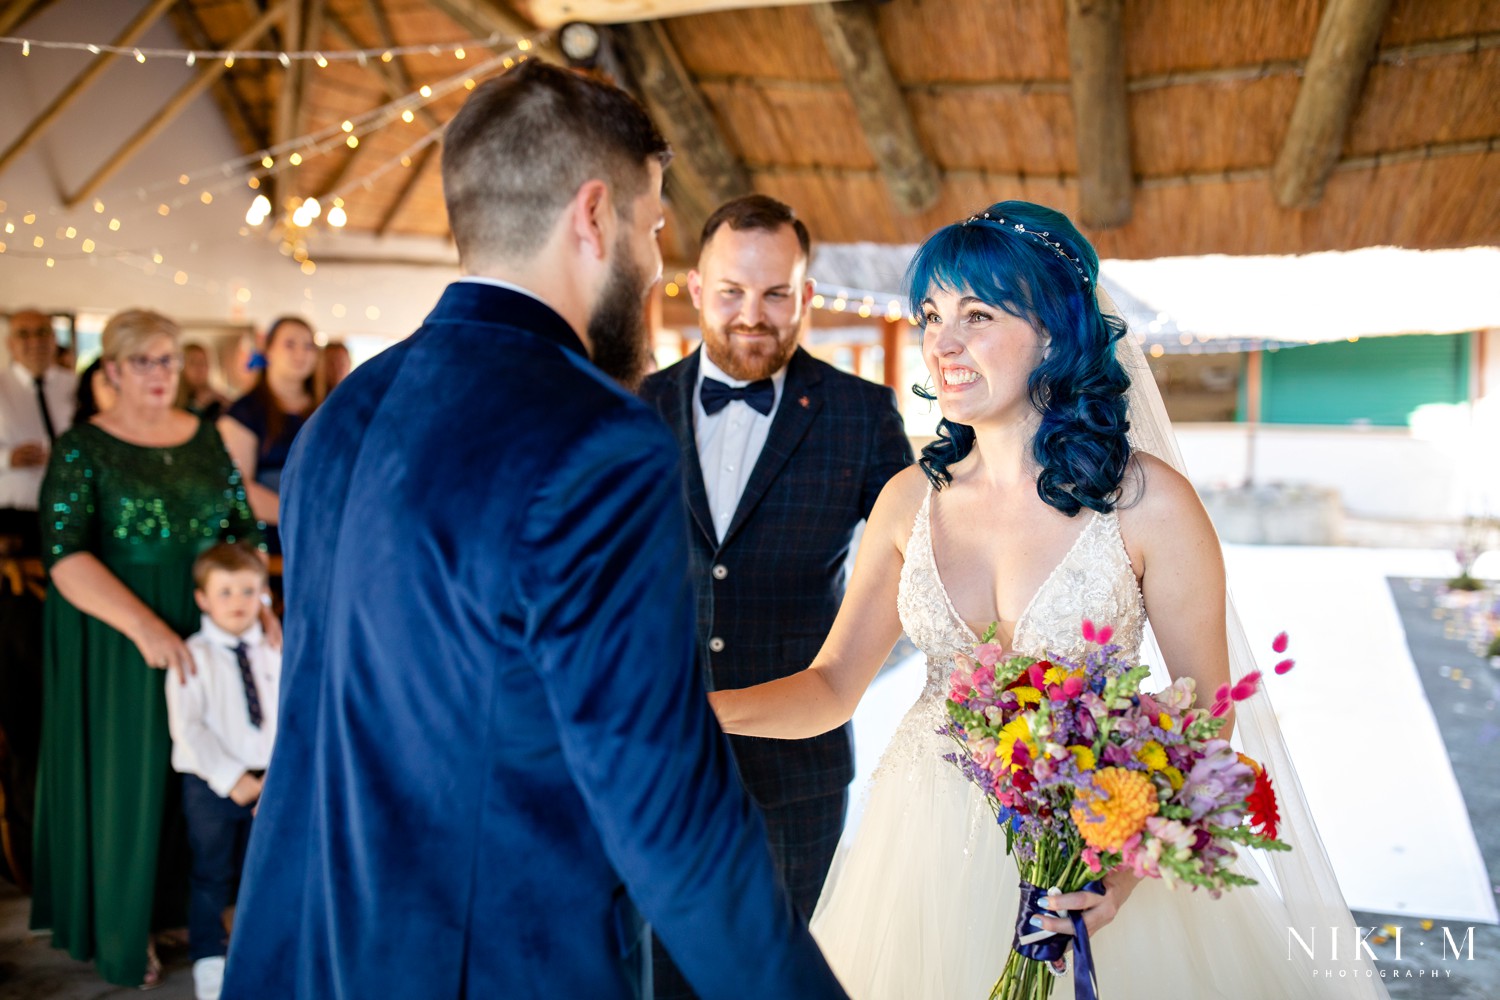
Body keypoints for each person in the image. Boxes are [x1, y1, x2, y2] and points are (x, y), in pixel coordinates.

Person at [220, 62, 845, 1000]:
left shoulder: (341, 417)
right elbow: (671, 812)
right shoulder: (595, 441)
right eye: (654, 228)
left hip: (305, 957)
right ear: (594, 218)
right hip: (492, 965)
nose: (655, 262)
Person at [709, 202, 1389, 999]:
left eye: (978, 314)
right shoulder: (906, 500)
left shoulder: (1146, 502)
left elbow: (1204, 710)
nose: (943, 342)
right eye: (931, 315)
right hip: (918, 857)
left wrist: (1120, 874)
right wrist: (694, 709)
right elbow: (829, 690)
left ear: (1056, 333)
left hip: (1090, 864)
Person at [639, 194, 911, 998]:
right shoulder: (633, 409)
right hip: (657, 766)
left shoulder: (862, 415)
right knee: (657, 977)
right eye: (731, 292)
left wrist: (864, 661)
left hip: (801, 776)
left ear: (807, 295)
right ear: (693, 288)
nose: (752, 316)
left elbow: (925, 567)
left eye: (775, 294)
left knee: (781, 982)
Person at [30, 309, 264, 989]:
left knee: (195, 777)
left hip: (208, 624)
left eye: (168, 360)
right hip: (116, 633)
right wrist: (147, 628)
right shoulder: (82, 447)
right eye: (144, 361)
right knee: (130, 778)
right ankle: (124, 928)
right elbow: (64, 555)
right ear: (111, 371)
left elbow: (242, 530)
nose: (160, 374)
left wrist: (260, 610)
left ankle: (186, 915)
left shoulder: (207, 440)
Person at [165, 541, 277, 1000]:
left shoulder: (274, 648)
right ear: (203, 599)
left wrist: (271, 779)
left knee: (265, 869)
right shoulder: (194, 655)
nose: (238, 602)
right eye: (226, 591)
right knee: (212, 873)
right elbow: (189, 730)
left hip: (270, 782)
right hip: (213, 785)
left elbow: (290, 712)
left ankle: (263, 953)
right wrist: (236, 782)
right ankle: (210, 960)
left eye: (249, 591)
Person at [218, 317, 319, 553]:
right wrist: (302, 517)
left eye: (308, 345)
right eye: (290, 344)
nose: (300, 353)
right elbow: (237, 487)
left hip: (316, 538)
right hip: (265, 540)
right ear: (269, 351)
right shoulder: (244, 412)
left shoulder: (325, 409)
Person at [0, 309, 76, 555]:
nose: (35, 342)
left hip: (69, 510)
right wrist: (7, 459)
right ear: (10, 344)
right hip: (14, 516)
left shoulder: (75, 386)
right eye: (24, 335)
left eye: (43, 333)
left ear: (54, 339)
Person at [177, 342, 229, 422]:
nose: (200, 368)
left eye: (204, 362)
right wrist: (198, 406)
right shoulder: (173, 400)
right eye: (193, 363)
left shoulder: (217, 401)